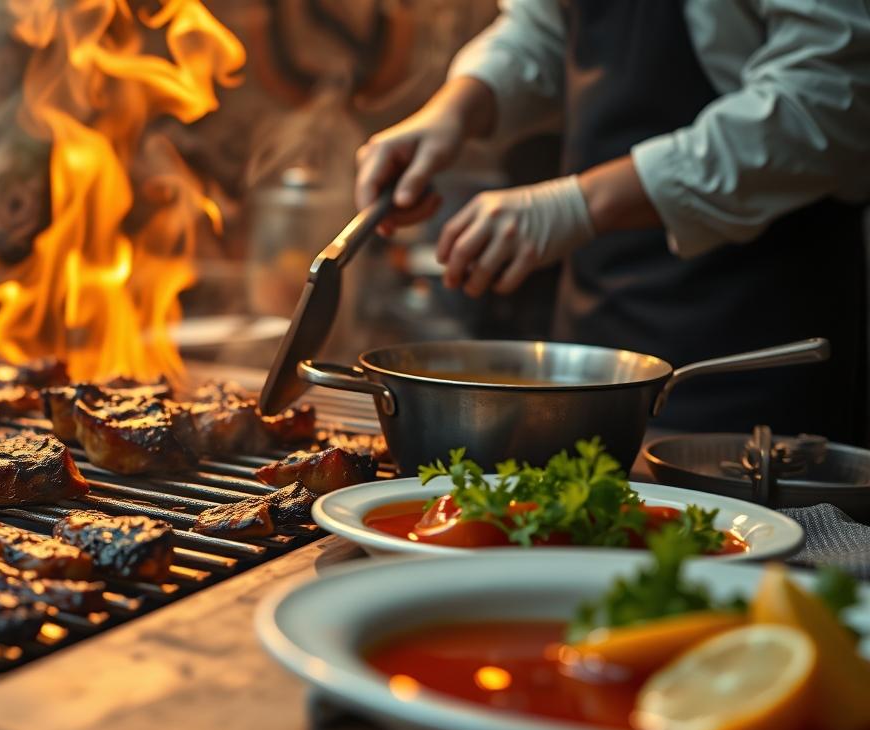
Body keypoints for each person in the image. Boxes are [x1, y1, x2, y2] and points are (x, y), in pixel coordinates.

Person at [355, 0, 870, 445]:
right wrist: (454, 109)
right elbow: (541, 31)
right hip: (596, 334)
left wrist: (580, 205)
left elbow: (827, 102)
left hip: (752, 341)